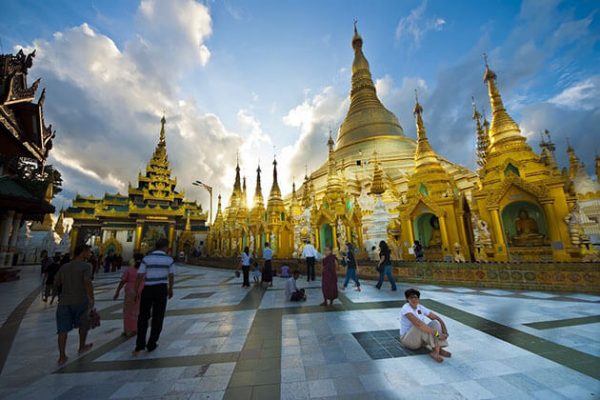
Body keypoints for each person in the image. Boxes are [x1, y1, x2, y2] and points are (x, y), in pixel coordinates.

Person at [54, 244, 95, 365]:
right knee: (83, 324)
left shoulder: (64, 267)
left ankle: (62, 356)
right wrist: (91, 298)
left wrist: (60, 296)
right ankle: (81, 346)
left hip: (64, 301)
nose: (90, 254)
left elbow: (57, 282)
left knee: (62, 330)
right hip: (81, 300)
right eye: (88, 252)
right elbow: (87, 282)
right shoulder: (87, 266)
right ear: (83, 252)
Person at [134, 238, 175, 354]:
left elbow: (140, 275)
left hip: (147, 288)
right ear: (165, 247)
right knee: (158, 316)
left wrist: (136, 291)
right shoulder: (169, 259)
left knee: (143, 317)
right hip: (161, 289)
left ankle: (140, 344)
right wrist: (170, 289)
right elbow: (171, 276)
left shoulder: (146, 259)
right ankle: (152, 343)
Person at [400, 288, 451, 363]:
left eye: (416, 297)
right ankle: (437, 349)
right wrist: (437, 334)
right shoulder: (406, 308)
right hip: (408, 340)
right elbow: (419, 324)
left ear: (418, 299)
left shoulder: (420, 307)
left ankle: (436, 351)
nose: (414, 299)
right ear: (407, 299)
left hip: (420, 340)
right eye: (411, 297)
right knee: (419, 326)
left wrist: (445, 331)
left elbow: (437, 318)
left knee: (435, 323)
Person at [113, 254, 143, 337]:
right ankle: (135, 328)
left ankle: (127, 330)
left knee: (128, 311)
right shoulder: (144, 270)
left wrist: (117, 292)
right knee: (138, 310)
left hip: (131, 291)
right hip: (141, 290)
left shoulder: (129, 270)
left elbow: (122, 281)